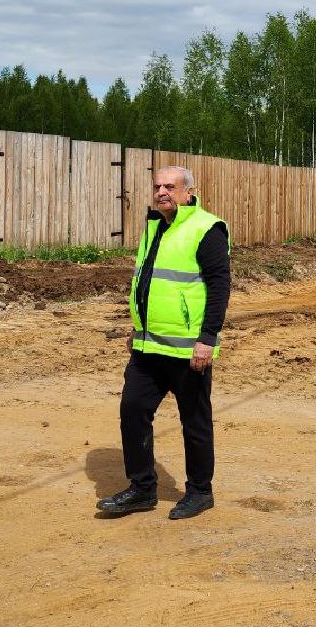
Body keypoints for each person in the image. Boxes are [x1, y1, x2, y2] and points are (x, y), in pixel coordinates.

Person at [97, 165, 231, 520]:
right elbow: (148, 283)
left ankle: (201, 491)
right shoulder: (153, 226)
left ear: (188, 191)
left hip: (189, 350)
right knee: (133, 411)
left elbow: (219, 288)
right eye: (157, 186)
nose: (161, 193)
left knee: (195, 421)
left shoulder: (207, 228)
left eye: (169, 187)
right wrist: (136, 328)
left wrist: (207, 339)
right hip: (147, 347)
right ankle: (142, 489)